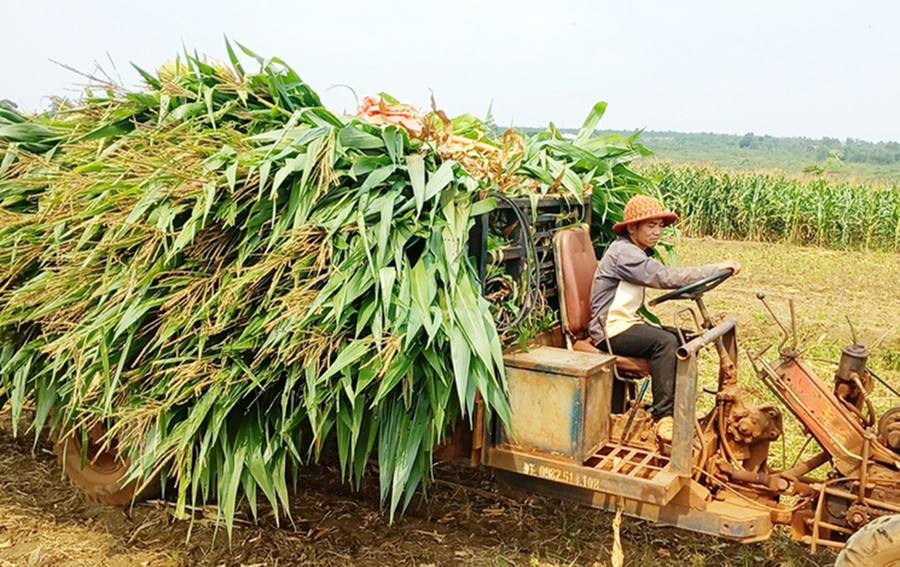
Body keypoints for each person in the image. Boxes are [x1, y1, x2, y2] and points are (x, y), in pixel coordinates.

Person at [589, 195, 741, 439]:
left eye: (660, 225)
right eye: (651, 225)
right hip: (610, 329)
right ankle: (664, 418)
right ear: (631, 228)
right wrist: (716, 268)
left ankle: (681, 408)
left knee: (687, 339)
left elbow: (663, 276)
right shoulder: (624, 253)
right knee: (666, 343)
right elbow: (665, 278)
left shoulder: (636, 251)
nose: (657, 231)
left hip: (626, 323)